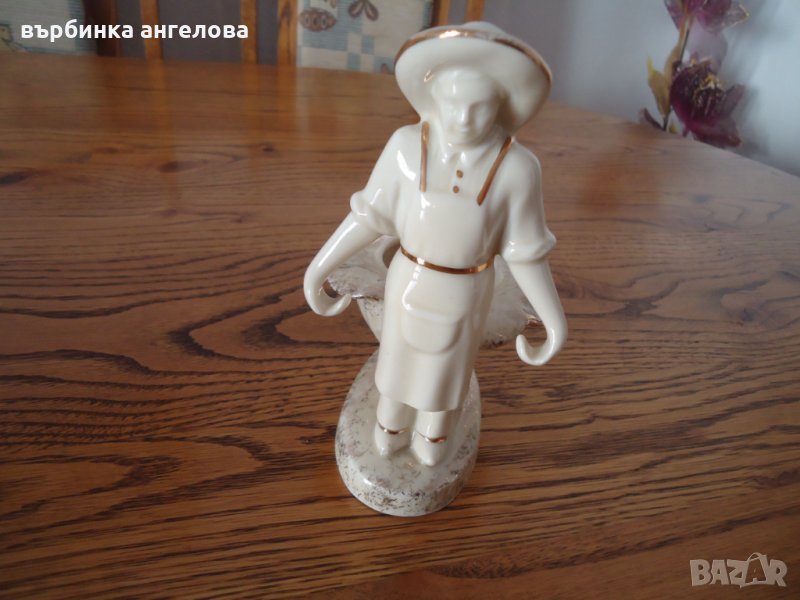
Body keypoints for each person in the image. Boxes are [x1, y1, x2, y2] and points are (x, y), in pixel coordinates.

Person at [305, 22, 567, 466]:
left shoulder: (518, 170)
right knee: (397, 365)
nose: (462, 118)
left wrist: (553, 321)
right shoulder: (405, 147)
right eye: (451, 103)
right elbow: (369, 216)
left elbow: (525, 252)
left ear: (502, 105)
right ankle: (389, 426)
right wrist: (319, 268)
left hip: (467, 292)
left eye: (479, 107)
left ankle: (434, 436)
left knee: (447, 375)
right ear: (432, 98)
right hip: (410, 280)